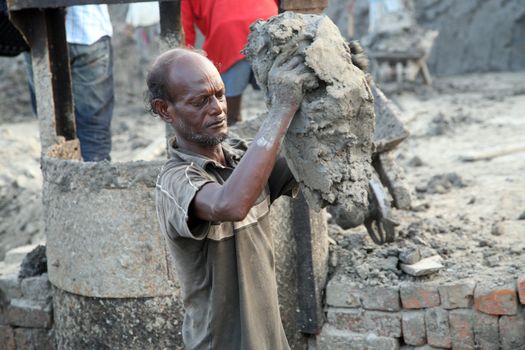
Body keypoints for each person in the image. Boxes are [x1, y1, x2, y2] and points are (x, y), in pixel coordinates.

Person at [149, 48, 308, 349]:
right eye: (200, 101)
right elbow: (230, 204)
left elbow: (311, 163)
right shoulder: (175, 181)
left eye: (220, 95)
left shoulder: (240, 158)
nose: (218, 108)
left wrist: (335, 85)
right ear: (165, 110)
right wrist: (280, 110)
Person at [26, 4, 114, 161]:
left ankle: (63, 183)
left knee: (53, 130)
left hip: (38, 35)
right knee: (94, 128)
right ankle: (97, 182)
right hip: (89, 28)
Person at [182, 0, 278, 125]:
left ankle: (233, 124)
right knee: (280, 97)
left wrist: (182, 64)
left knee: (227, 109)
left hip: (228, 32)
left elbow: (183, 28)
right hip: (268, 19)